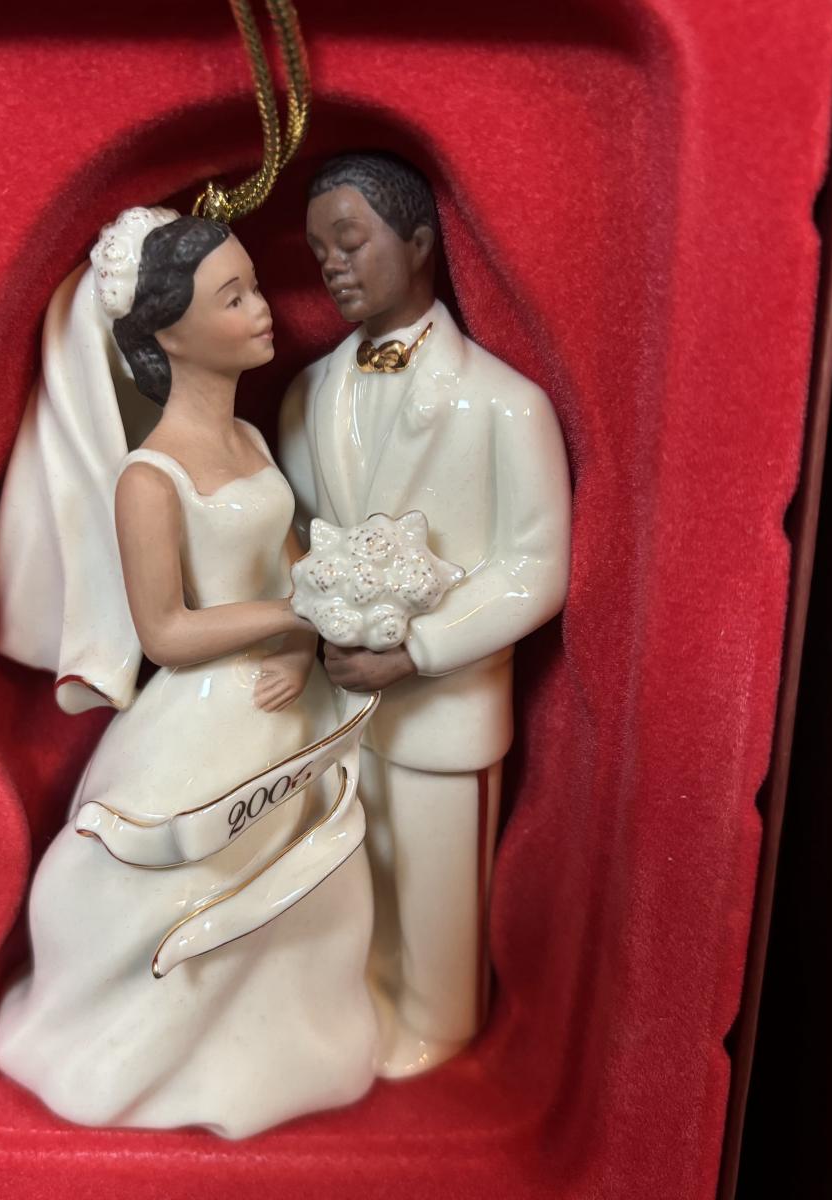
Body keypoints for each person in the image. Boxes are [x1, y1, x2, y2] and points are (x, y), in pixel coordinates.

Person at [0, 207, 377, 1137]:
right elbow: (165, 631)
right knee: (182, 877)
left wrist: (303, 637)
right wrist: (292, 619)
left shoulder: (249, 441)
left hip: (283, 699)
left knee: (306, 886)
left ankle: (279, 1044)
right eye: (233, 297)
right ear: (167, 333)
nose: (262, 309)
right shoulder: (149, 478)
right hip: (205, 710)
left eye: (254, 287)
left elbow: (292, 563)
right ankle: (153, 1046)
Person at [279, 153, 572, 1078]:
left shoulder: (506, 405)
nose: (332, 265)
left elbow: (535, 567)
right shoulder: (307, 395)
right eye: (319, 250)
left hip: (446, 708)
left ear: (417, 241)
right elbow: (299, 530)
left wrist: (420, 648)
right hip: (338, 707)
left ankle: (440, 1022)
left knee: (441, 884)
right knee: (359, 866)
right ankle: (367, 997)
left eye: (350, 240)